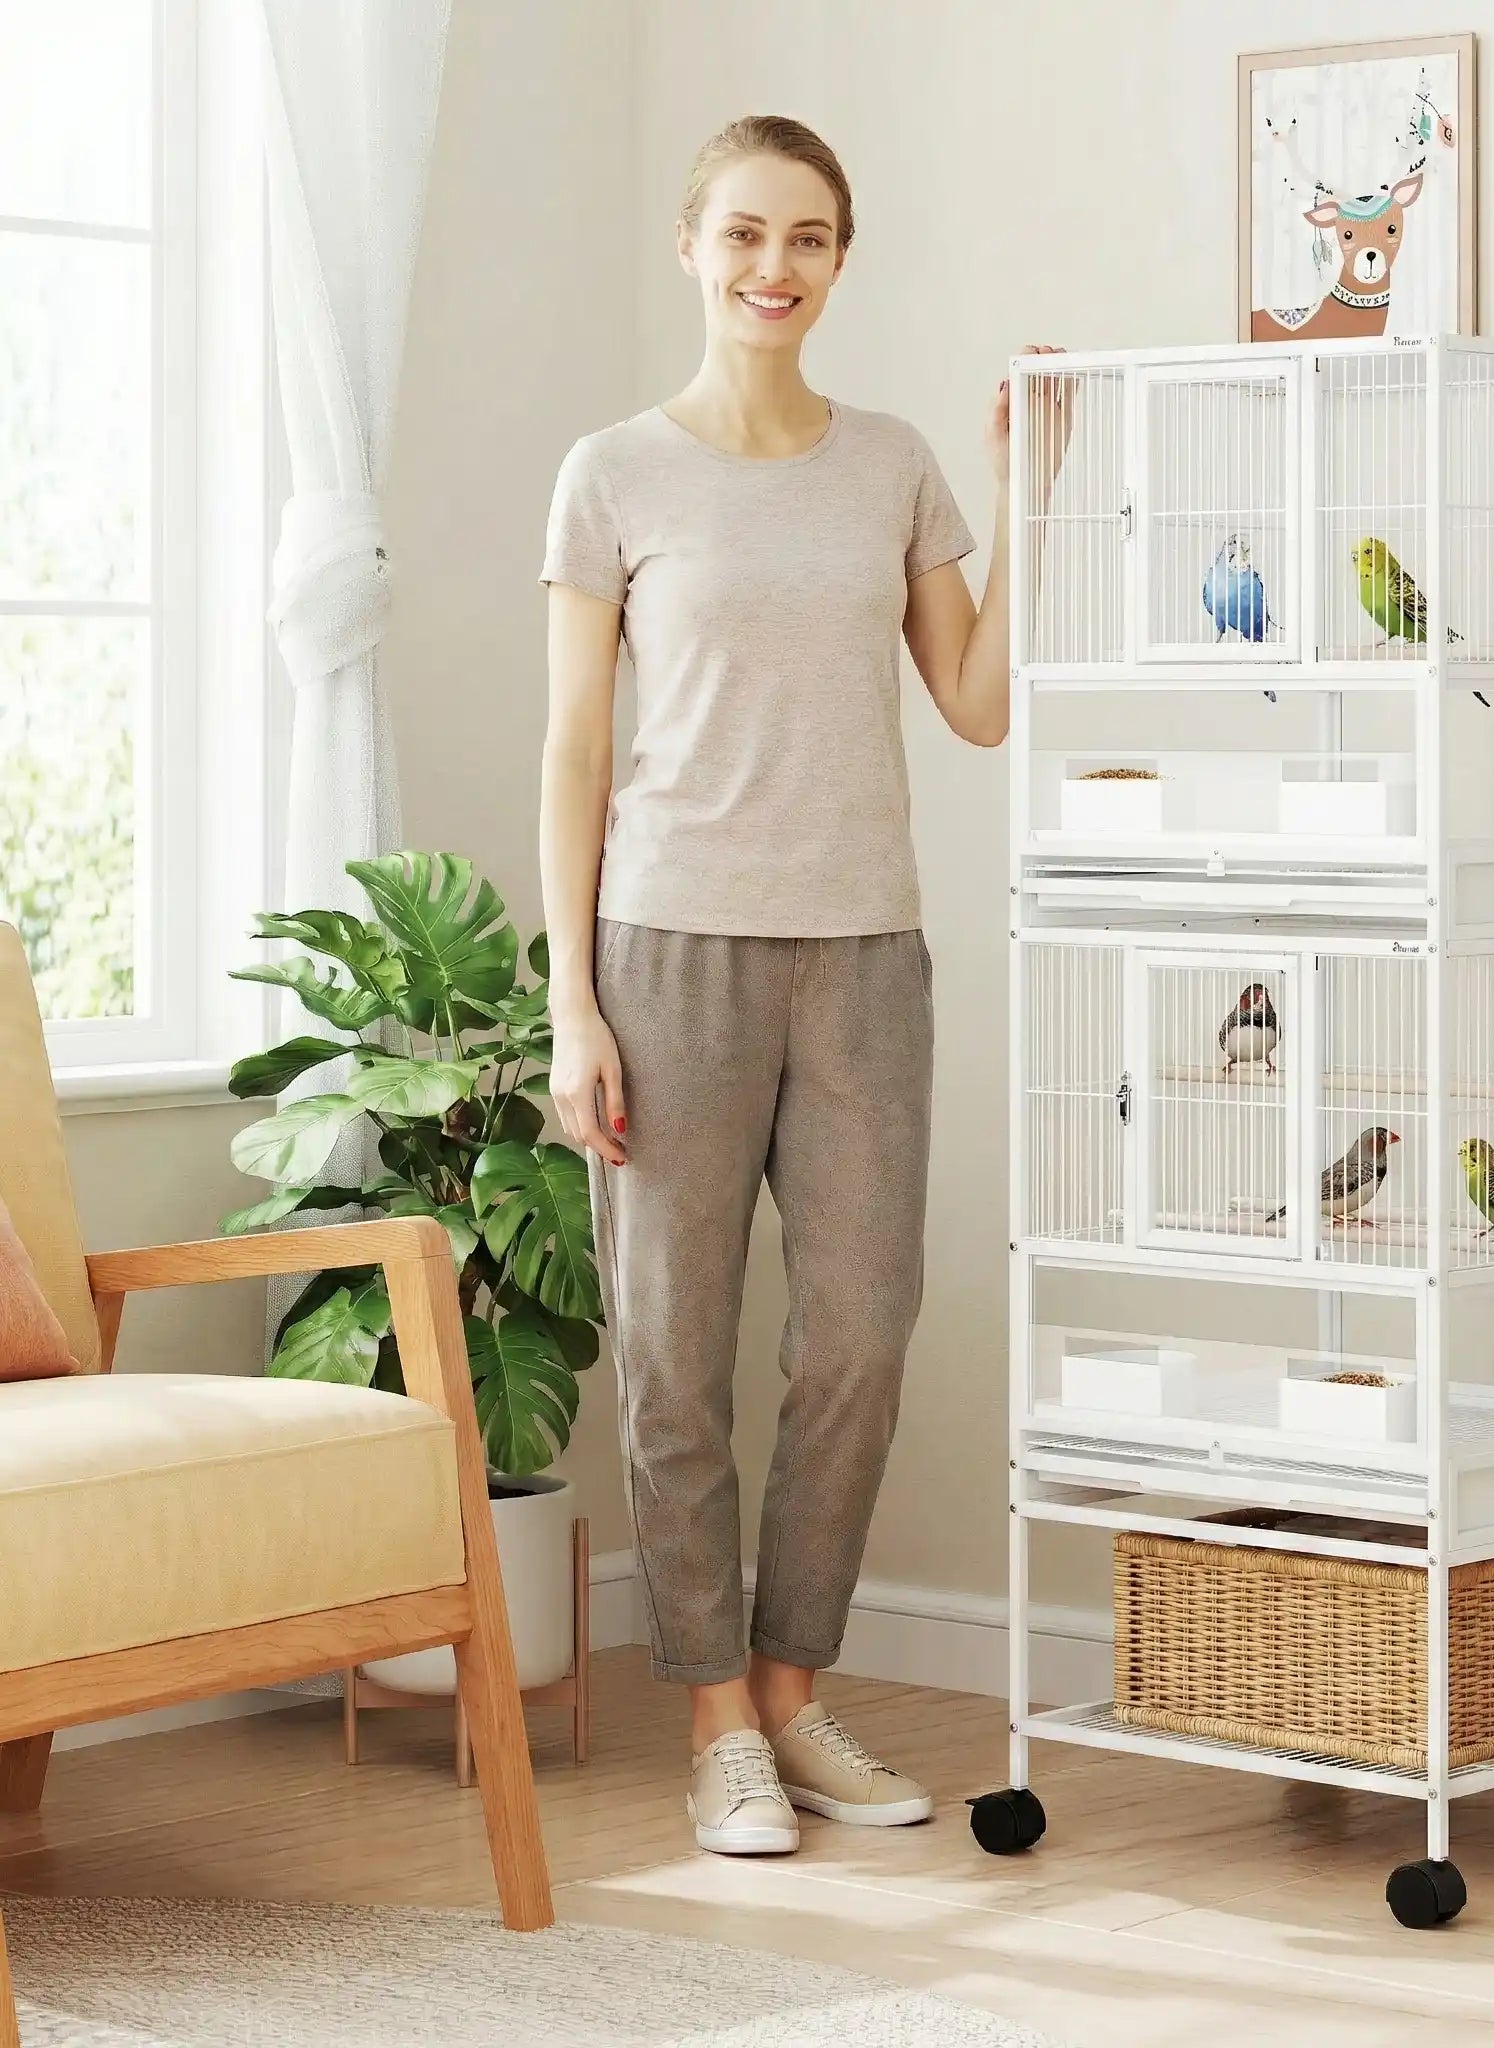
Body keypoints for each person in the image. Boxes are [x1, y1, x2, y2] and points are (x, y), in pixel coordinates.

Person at [537, 111, 1062, 1856]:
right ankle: (711, 1724)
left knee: (857, 1339)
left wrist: (1037, 488)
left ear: (843, 259)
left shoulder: (895, 463)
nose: (777, 269)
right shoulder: (612, 473)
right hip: (668, 950)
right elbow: (573, 753)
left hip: (864, 955)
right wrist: (573, 1005)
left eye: (812, 241)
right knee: (676, 1353)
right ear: (692, 243)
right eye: (748, 234)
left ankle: (785, 1695)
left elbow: (977, 703)